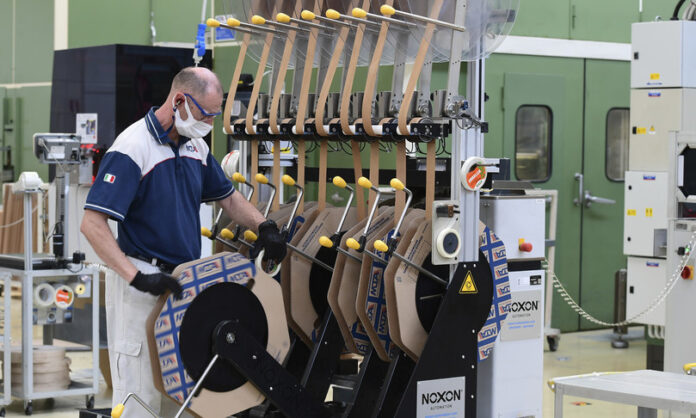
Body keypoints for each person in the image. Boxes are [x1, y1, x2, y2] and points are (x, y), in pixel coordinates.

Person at [80, 66, 286, 416]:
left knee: (186, 394)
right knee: (140, 396)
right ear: (179, 101)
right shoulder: (132, 148)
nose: (208, 124)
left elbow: (228, 198)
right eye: (206, 115)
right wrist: (136, 277)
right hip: (141, 285)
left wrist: (265, 226)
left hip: (186, 282)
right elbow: (92, 223)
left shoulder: (196, 148)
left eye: (214, 116)